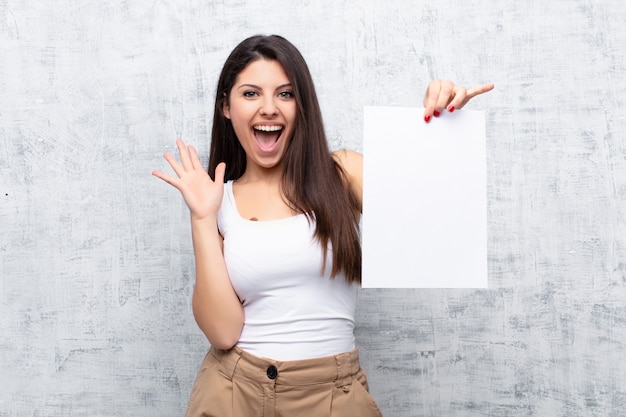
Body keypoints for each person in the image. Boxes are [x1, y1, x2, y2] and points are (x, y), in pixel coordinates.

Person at [153, 34, 493, 417]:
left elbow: (435, 217)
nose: (269, 108)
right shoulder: (218, 200)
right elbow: (222, 332)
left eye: (285, 94)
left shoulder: (342, 173)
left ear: (303, 105)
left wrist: (441, 124)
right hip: (233, 391)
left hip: (332, 395)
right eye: (250, 94)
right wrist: (202, 218)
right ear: (226, 107)